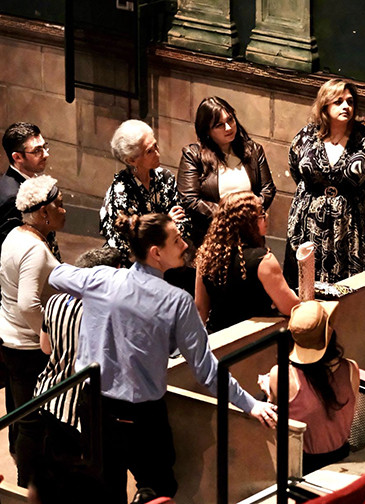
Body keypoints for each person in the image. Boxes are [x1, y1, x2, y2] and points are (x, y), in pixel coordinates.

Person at [48, 212, 277, 504]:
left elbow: (56, 274)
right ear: (156, 253)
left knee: (105, 492)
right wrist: (249, 403)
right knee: (161, 488)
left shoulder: (100, 279)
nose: (184, 245)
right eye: (177, 240)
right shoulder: (177, 301)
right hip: (142, 415)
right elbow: (206, 369)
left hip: (95, 409)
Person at [0, 175, 66, 487]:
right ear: (43, 213)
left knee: (28, 422)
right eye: (59, 205)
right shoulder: (36, 250)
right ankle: (29, 488)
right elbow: (27, 303)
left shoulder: (16, 235)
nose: (65, 210)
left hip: (10, 338)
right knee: (34, 424)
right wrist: (47, 335)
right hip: (27, 347)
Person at [284, 79, 365, 285]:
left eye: (350, 101)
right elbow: (296, 168)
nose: (346, 107)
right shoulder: (305, 137)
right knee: (305, 284)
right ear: (325, 105)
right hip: (309, 220)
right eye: (338, 101)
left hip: (352, 222)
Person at [33, 247, 124, 464]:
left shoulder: (55, 302)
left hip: (49, 398)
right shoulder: (108, 312)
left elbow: (45, 347)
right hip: (83, 410)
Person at [260, 301, 358, 474]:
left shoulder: (280, 374)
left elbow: (276, 420)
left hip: (301, 468)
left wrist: (268, 389)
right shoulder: (351, 369)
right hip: (343, 457)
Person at [178, 96, 276, 246]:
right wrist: (230, 216)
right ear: (207, 131)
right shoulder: (193, 155)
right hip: (214, 237)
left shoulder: (253, 150)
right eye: (219, 125)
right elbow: (190, 200)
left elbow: (268, 189)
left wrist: (250, 213)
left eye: (230, 120)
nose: (229, 128)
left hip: (250, 234)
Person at [195, 192, 299, 332]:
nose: (266, 217)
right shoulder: (264, 260)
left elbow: (201, 309)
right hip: (254, 342)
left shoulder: (206, 256)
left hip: (218, 339)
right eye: (261, 214)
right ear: (247, 222)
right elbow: (290, 307)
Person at [100, 120, 186, 266]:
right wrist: (167, 223)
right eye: (149, 151)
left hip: (168, 257)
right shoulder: (121, 192)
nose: (158, 153)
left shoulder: (165, 178)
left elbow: (183, 221)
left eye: (156, 145)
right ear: (132, 160)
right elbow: (131, 246)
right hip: (133, 267)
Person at [0, 122, 59, 263]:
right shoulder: (11, 198)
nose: (46, 154)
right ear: (17, 157)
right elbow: (15, 253)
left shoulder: (29, 178)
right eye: (37, 151)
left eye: (44, 147)